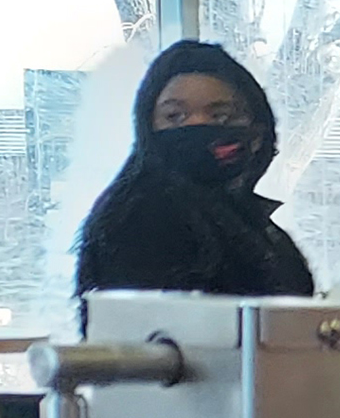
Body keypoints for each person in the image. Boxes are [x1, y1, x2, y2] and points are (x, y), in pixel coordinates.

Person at [73, 41, 316, 298]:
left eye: (221, 116)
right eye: (175, 116)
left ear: (257, 133)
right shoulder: (137, 218)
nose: (197, 126)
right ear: (147, 127)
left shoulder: (246, 217)